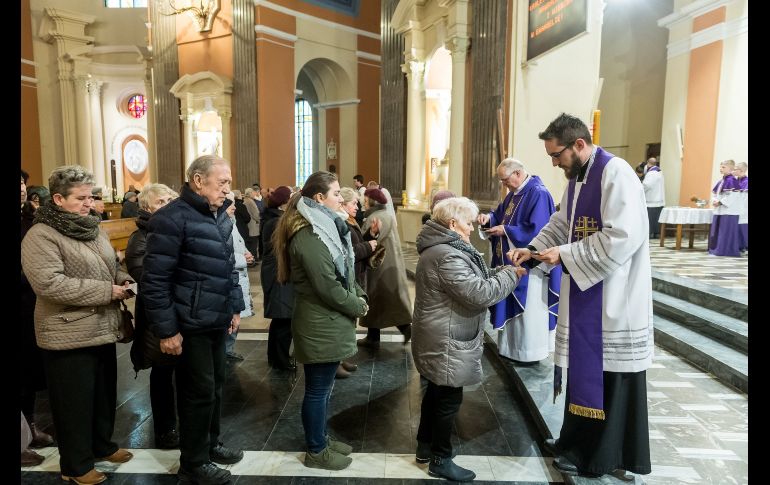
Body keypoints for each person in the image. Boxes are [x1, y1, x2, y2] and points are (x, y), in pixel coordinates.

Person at [511, 113, 653, 478]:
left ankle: (600, 455)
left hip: (615, 297)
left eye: (556, 155)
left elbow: (623, 236)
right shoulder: (577, 178)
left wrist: (566, 254)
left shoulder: (616, 173)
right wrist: (534, 248)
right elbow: (562, 223)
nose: (553, 163)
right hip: (588, 292)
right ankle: (574, 442)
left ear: (578, 144)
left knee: (609, 377)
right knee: (583, 368)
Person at [21, 165, 136, 485]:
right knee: (73, 404)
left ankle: (101, 446)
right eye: (81, 198)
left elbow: (110, 265)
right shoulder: (40, 235)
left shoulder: (92, 228)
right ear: (58, 199)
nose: (89, 203)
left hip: (102, 325)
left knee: (102, 395)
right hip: (66, 330)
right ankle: (75, 465)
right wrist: (106, 291)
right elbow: (49, 284)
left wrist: (123, 279)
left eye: (91, 197)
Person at [141, 155, 245, 485]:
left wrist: (234, 307)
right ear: (198, 181)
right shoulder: (171, 218)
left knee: (215, 387)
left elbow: (228, 268)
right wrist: (167, 330)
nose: (228, 189)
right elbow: (155, 281)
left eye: (229, 183)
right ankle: (193, 462)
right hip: (190, 322)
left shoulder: (218, 215)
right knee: (197, 392)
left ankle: (210, 444)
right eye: (223, 182)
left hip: (215, 317)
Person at [413, 197, 525, 481]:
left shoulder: (445, 248)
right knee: (448, 399)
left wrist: (502, 271)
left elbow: (477, 278)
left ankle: (425, 447)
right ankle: (440, 459)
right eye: (468, 223)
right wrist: (512, 276)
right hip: (446, 338)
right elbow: (480, 294)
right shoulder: (447, 255)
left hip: (441, 333)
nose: (472, 228)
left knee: (436, 393)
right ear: (452, 224)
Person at [272, 171, 369, 471]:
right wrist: (357, 304)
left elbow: (344, 272)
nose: (341, 198)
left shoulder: (324, 227)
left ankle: (321, 439)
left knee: (324, 390)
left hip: (327, 320)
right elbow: (327, 285)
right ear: (319, 198)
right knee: (317, 391)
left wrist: (358, 293)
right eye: (336, 193)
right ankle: (316, 450)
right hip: (319, 322)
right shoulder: (309, 234)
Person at [478, 158, 561, 364]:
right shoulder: (514, 194)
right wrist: (489, 219)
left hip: (531, 267)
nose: (504, 184)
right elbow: (500, 216)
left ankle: (529, 353)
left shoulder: (538, 193)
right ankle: (511, 350)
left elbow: (538, 231)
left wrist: (506, 230)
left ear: (517, 173)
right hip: (512, 262)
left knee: (530, 312)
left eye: (505, 180)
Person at [125, 183, 181, 450]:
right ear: (147, 208)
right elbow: (146, 277)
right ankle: (165, 428)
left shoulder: (177, 229)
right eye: (161, 201)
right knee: (162, 374)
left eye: (170, 199)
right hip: (157, 317)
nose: (168, 204)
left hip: (182, 313)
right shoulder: (140, 238)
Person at [20, 178, 54, 468]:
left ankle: (29, 428)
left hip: (29, 305)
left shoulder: (31, 220)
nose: (21, 188)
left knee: (27, 373)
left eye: (21, 182)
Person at [357, 187, 413, 348]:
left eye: (365, 201)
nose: (363, 203)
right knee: (383, 303)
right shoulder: (385, 214)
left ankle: (402, 329)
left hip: (379, 268)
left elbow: (368, 242)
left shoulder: (375, 217)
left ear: (372, 202)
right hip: (387, 265)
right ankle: (374, 336)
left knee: (380, 301)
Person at [336, 186, 379, 378]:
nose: (358, 207)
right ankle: (335, 361)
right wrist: (368, 246)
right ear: (343, 204)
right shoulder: (341, 222)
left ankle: (341, 357)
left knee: (348, 322)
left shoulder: (350, 220)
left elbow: (356, 243)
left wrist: (370, 234)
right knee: (342, 321)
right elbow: (348, 252)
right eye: (354, 203)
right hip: (349, 275)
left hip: (356, 274)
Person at [262, 186, 296, 371]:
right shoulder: (277, 221)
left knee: (280, 319)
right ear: (285, 202)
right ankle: (281, 361)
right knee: (284, 318)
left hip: (276, 272)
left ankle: (275, 357)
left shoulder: (274, 218)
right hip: (278, 274)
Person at [224, 191, 256, 361]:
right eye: (229, 203)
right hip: (230, 277)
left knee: (235, 317)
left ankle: (228, 350)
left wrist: (247, 253)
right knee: (229, 318)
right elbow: (221, 254)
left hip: (239, 276)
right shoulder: (219, 223)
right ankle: (224, 351)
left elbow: (238, 244)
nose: (234, 207)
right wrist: (244, 258)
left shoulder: (232, 221)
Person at [708, 159, 740, 256]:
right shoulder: (721, 181)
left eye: (723, 167)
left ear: (730, 169)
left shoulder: (732, 181)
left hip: (728, 211)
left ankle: (725, 250)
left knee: (725, 232)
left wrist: (720, 202)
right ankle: (716, 249)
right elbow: (716, 194)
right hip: (719, 210)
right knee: (717, 231)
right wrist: (715, 201)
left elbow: (733, 196)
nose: (720, 169)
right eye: (720, 167)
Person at [641, 158, 665, 238]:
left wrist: (639, 188)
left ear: (648, 163)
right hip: (659, 200)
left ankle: (650, 233)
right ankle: (656, 233)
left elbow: (646, 185)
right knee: (657, 218)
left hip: (651, 200)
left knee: (650, 219)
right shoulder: (659, 172)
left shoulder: (651, 173)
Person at [732, 162, 748, 253]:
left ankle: (745, 246)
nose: (733, 171)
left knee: (743, 228)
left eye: (735, 169)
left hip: (744, 210)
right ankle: (738, 246)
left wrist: (740, 208)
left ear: (741, 170)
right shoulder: (734, 181)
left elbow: (745, 199)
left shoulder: (746, 182)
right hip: (735, 210)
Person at [243, 187, 261, 263]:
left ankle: (251, 259)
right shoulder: (250, 201)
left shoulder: (245, 200)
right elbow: (256, 214)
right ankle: (254, 259)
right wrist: (259, 220)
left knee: (250, 244)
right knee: (254, 244)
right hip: (253, 225)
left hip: (248, 225)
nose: (254, 194)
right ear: (250, 193)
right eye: (253, 193)